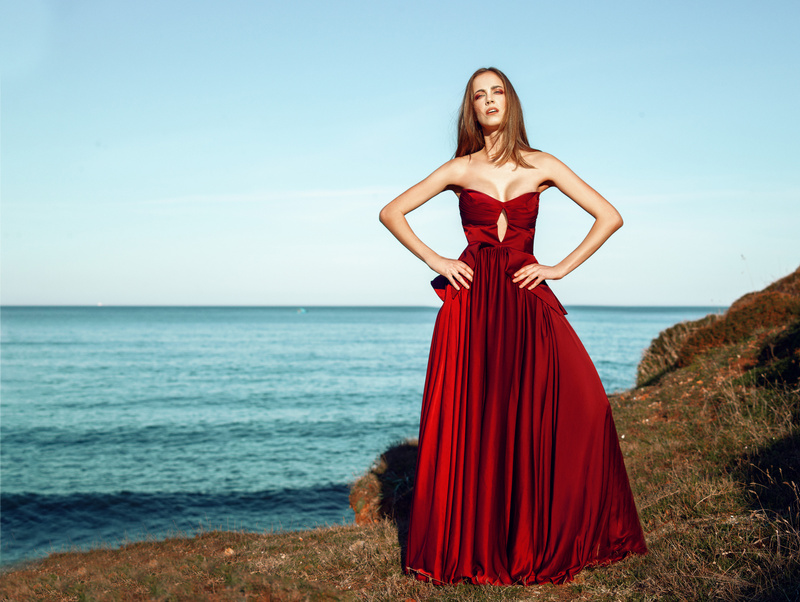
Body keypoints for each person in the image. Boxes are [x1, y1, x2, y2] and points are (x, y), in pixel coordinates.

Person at [379, 67, 648, 586]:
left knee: (584, 405)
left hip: (526, 302)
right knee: (478, 420)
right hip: (473, 308)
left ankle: (540, 533)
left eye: (496, 91)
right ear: (471, 109)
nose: (488, 101)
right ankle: (479, 543)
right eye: (478, 95)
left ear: (510, 100)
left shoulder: (542, 164)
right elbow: (392, 213)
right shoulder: (460, 168)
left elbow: (608, 216)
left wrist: (558, 268)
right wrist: (439, 260)